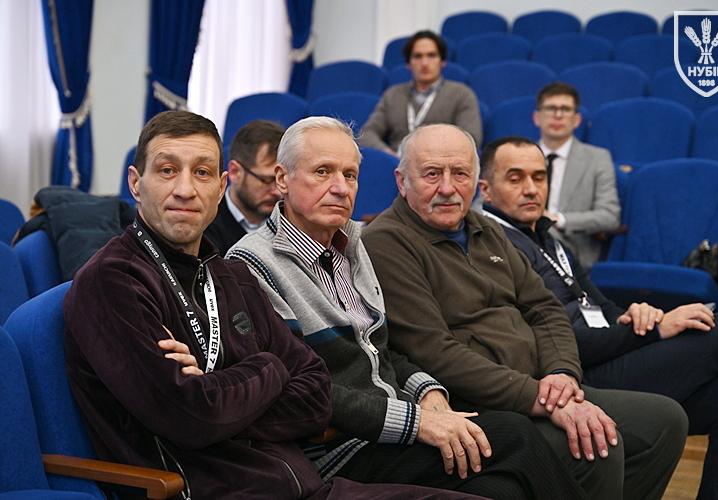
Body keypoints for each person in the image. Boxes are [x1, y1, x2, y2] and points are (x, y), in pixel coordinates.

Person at [63, 110, 486, 500]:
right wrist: (270, 367)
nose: (185, 189)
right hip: (214, 490)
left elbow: (314, 394)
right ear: (136, 183)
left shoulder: (227, 274)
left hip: (299, 484)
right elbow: (190, 418)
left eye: (202, 172)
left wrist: (220, 384)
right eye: (168, 170)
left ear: (221, 187)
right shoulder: (113, 281)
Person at [228, 116, 585, 499]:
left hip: (388, 425)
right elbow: (302, 390)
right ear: (282, 179)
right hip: (330, 449)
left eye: (350, 175)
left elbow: (379, 353)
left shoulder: (351, 245)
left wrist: (428, 392)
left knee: (501, 489)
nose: (340, 187)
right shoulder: (251, 266)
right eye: (322, 172)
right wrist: (418, 422)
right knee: (515, 433)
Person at [362, 123, 689, 500]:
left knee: (664, 422)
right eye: (432, 174)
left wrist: (562, 374)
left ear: (476, 182)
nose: (448, 188)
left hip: (542, 384)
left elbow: (545, 309)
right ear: (402, 181)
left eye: (460, 174)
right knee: (597, 446)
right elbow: (435, 351)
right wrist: (539, 399)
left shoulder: (484, 228)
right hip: (477, 402)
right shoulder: (387, 242)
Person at [479, 136, 718, 500]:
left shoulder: (548, 239)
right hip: (576, 375)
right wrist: (654, 332)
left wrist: (636, 316)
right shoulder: (495, 246)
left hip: (612, 353)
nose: (531, 189)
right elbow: (551, 343)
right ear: (486, 189)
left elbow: (602, 306)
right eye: (516, 178)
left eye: (539, 177)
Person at [533, 82, 620, 269]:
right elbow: (482, 204)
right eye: (551, 108)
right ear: (537, 117)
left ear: (577, 120)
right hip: (519, 245)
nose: (558, 115)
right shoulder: (517, 156)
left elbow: (609, 216)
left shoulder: (597, 158)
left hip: (571, 252)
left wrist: (558, 219)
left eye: (565, 109)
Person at [359, 30, 482, 155]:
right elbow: (367, 134)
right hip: (397, 161)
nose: (424, 63)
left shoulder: (462, 94)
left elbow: (470, 138)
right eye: (418, 56)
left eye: (431, 55)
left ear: (443, 62)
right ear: (408, 64)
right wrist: (388, 154)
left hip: (440, 161)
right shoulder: (392, 95)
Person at [205, 119, 284, 255]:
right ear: (235, 172)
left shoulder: (293, 223)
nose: (277, 191)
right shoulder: (205, 225)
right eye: (266, 180)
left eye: (282, 180)